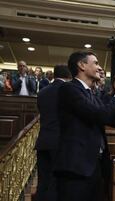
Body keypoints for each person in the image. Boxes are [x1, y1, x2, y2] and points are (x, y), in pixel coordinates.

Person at [54, 51, 115, 201]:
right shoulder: (69, 89)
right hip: (76, 168)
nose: (100, 68)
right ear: (81, 65)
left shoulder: (92, 94)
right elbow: (102, 114)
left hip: (96, 166)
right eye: (96, 63)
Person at [35, 64, 72, 201]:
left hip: (43, 141)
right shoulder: (68, 91)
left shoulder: (43, 92)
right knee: (56, 183)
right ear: (69, 76)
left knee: (43, 182)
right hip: (59, 142)